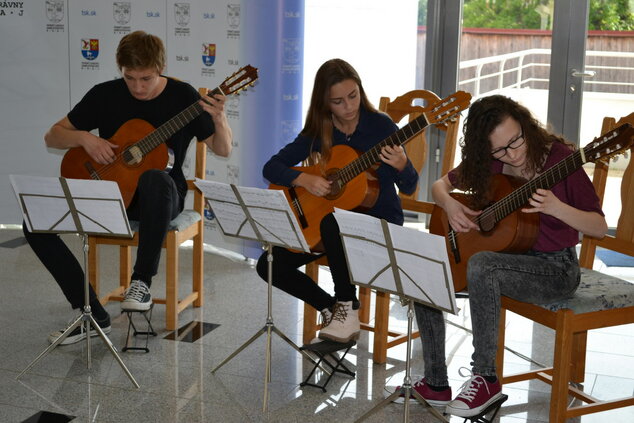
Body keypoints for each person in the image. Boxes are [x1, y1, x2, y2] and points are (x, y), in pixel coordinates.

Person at [403, 95, 607, 417]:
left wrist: (557, 208)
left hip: (555, 268)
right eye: (500, 150)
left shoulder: (561, 160)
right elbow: (440, 186)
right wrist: (450, 204)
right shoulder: (491, 163)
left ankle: (485, 378)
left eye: (516, 140)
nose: (512, 154)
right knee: (428, 267)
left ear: (525, 125)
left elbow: (598, 225)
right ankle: (436, 382)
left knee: (483, 265)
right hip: (505, 259)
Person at [24, 30, 232, 345]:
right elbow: (53, 136)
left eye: (145, 78)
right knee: (33, 223)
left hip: (160, 198)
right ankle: (91, 313)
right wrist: (85, 138)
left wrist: (221, 118)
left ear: (160, 68)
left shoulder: (183, 97)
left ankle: (141, 282)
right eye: (130, 78)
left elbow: (223, 148)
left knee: (155, 177)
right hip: (111, 193)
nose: (137, 87)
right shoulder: (105, 94)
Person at [255, 58, 419, 343]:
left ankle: (348, 305)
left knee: (334, 222)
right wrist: (304, 180)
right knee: (268, 264)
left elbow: (411, 185)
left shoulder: (381, 126)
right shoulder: (321, 129)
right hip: (332, 223)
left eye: (353, 96)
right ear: (325, 104)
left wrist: (403, 164)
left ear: (360, 91)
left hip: (380, 219)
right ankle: (330, 308)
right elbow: (271, 167)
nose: (349, 106)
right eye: (338, 101)